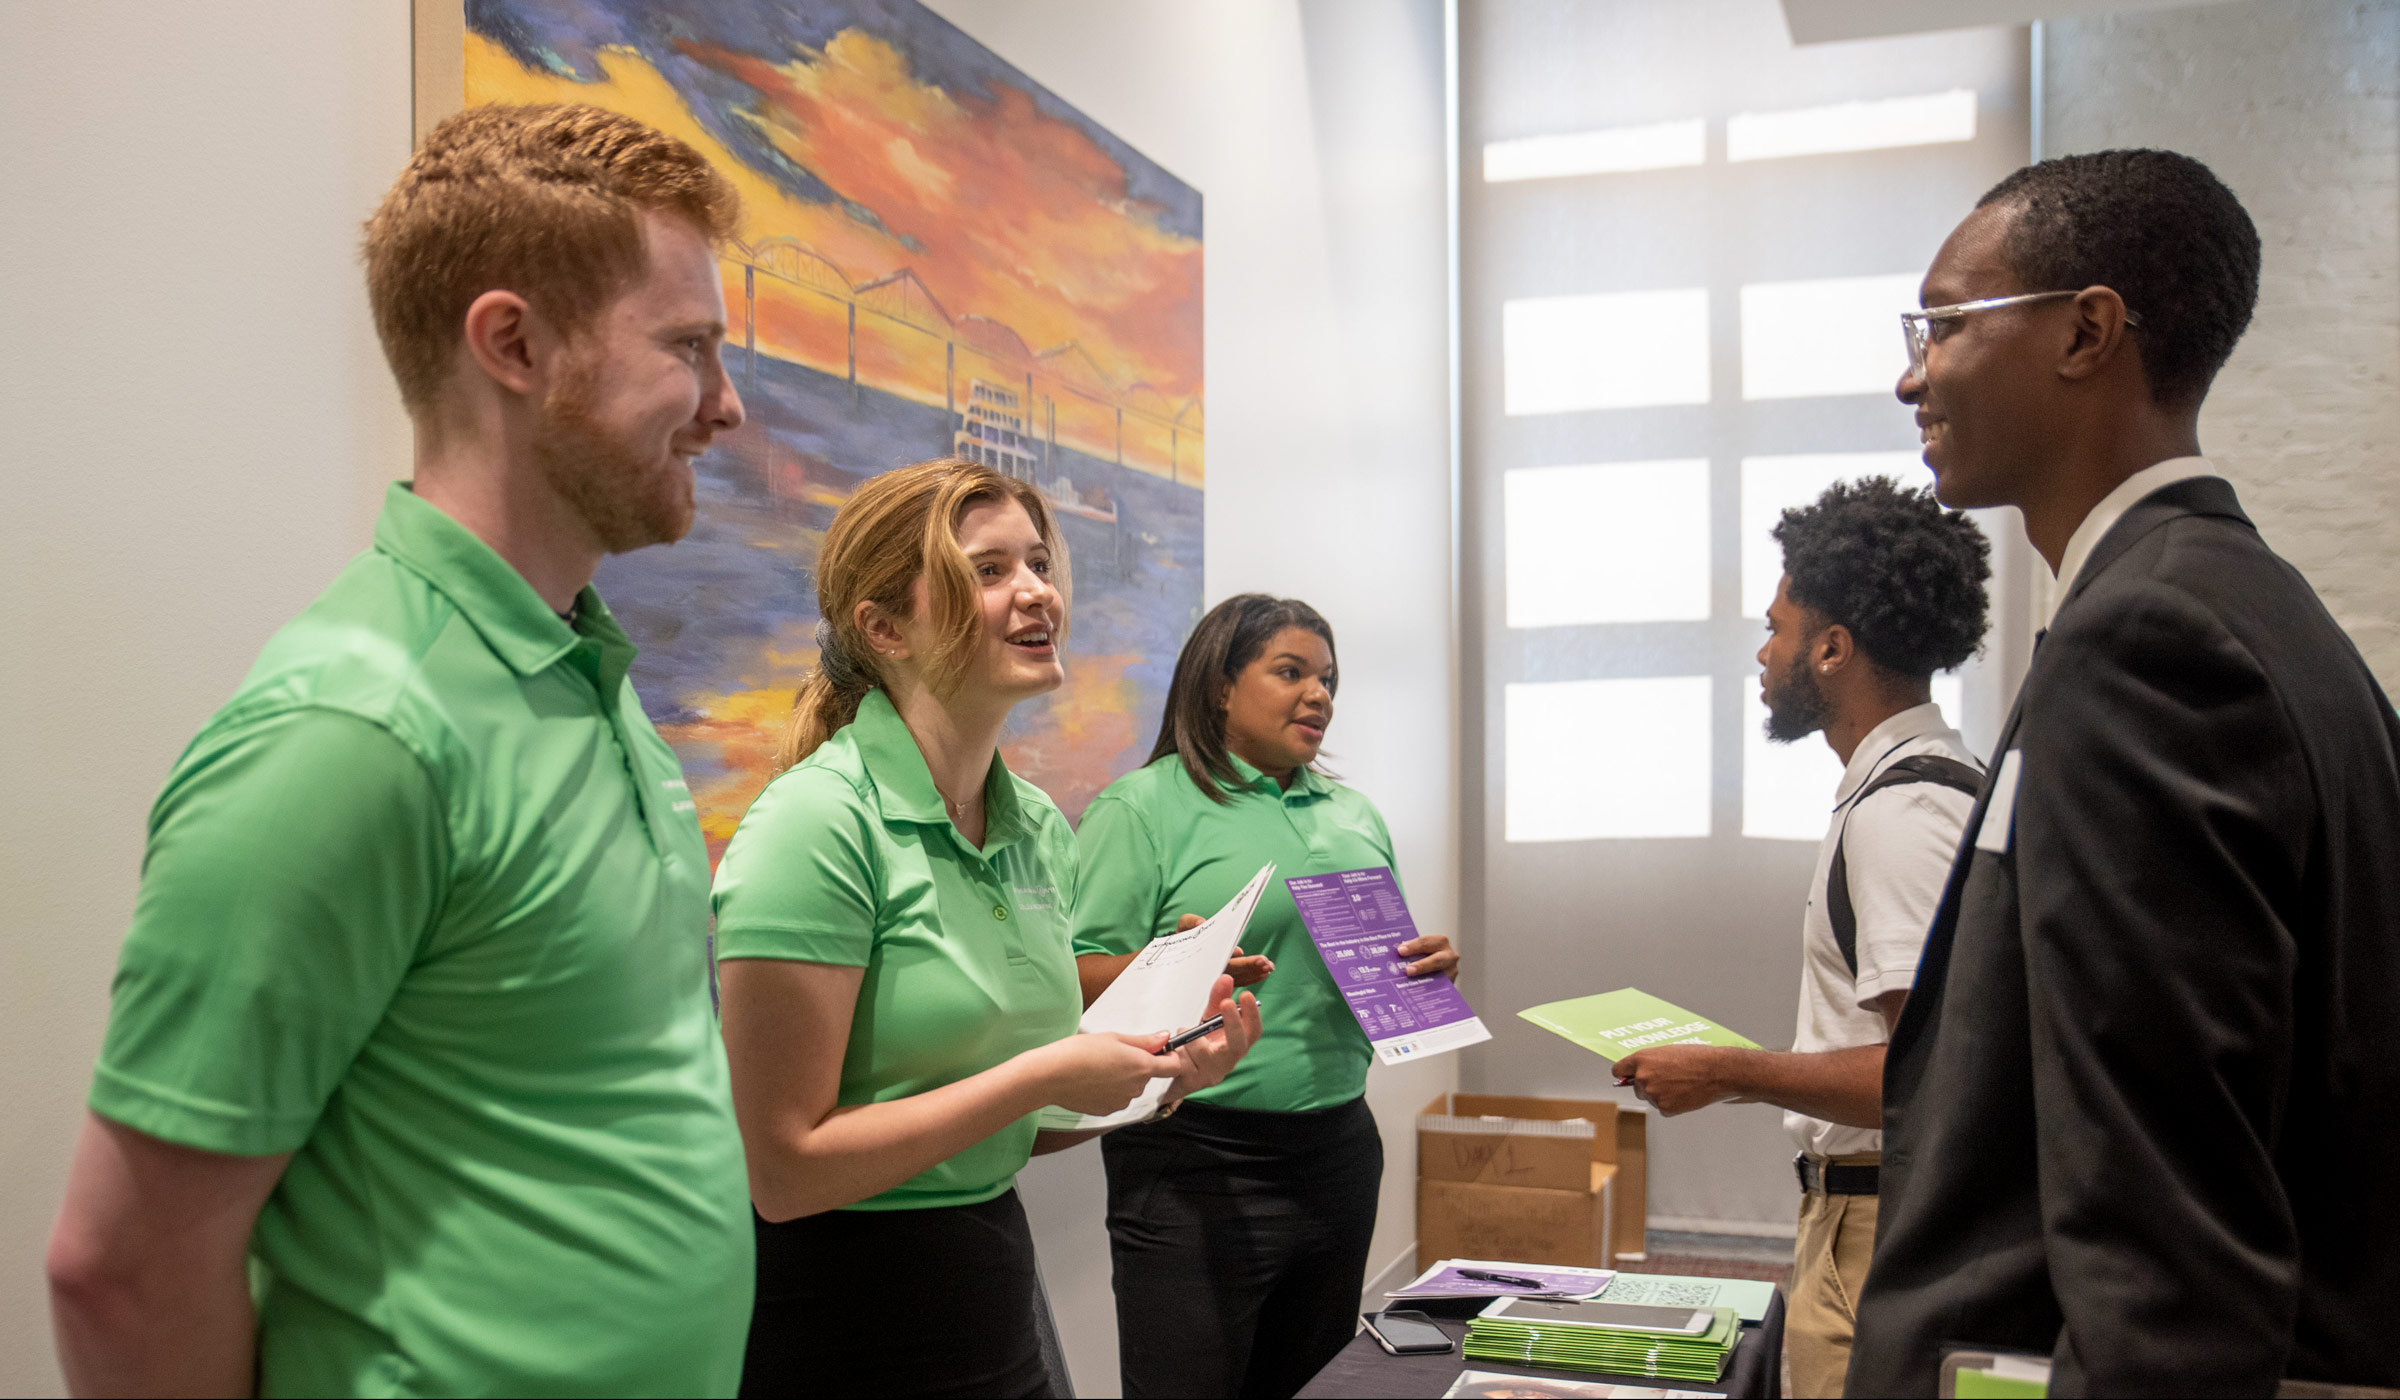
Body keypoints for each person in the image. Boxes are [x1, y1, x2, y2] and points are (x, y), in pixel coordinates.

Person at [44, 104, 758, 1395]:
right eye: (691, 349)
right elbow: (122, 1268)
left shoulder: (582, 672)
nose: (730, 407)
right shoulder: (352, 734)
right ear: (515, 344)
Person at [1849, 149, 2400, 1397]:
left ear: (2087, 331)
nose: (1910, 373)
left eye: (1942, 325)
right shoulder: (2266, 613)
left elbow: (2168, 1238)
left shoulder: (2145, 641)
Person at [713, 458, 1261, 1400]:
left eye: (1040, 563)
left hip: (988, 1284)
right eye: (990, 570)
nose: (1038, 591)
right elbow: (786, 1171)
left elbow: (1005, 1127)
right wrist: (1047, 1071)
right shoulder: (816, 826)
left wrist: (1155, 1080)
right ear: (885, 629)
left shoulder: (1040, 829)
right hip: (836, 1316)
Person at [1612, 478, 1990, 1398]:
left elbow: (1924, 1076)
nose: (1763, 650)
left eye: (1777, 628)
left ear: (1832, 649)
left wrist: (1728, 1071)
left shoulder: (1901, 815)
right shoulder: (1923, 782)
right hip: (1871, 1221)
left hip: (1874, 1237)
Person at [1072, 594, 1462, 1400]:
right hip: (1194, 1159)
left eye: (1327, 679)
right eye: (1290, 672)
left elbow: (1370, 961)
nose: (1318, 695)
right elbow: (1070, 975)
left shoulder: (1354, 813)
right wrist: (1183, 962)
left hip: (1339, 1151)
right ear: (1219, 685)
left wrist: (1422, 971)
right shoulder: (1143, 808)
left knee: (1313, 1384)